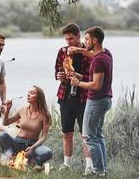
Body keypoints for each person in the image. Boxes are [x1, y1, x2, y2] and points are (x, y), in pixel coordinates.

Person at [70, 26, 113, 177]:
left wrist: (77, 83)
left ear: (95, 40)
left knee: (89, 136)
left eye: (87, 39)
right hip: (105, 99)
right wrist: (78, 51)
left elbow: (96, 85)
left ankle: (98, 171)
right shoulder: (106, 53)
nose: (84, 41)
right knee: (98, 136)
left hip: (97, 101)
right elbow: (92, 54)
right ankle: (102, 170)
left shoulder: (98, 61)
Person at [54, 23, 92, 171]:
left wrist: (78, 76)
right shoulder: (62, 51)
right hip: (65, 96)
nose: (68, 42)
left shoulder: (88, 52)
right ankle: (66, 165)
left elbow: (92, 78)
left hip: (83, 97)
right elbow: (57, 70)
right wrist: (60, 76)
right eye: (66, 39)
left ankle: (89, 167)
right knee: (66, 132)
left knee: (85, 134)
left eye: (71, 38)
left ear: (78, 36)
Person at [0, 86, 53, 170]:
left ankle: (36, 164)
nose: (28, 95)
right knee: (2, 136)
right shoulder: (22, 110)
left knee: (47, 152)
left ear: (39, 97)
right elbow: (5, 123)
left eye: (32, 93)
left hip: (33, 145)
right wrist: (7, 110)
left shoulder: (45, 115)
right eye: (28, 92)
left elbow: (44, 136)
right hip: (18, 143)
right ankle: (12, 158)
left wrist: (32, 147)